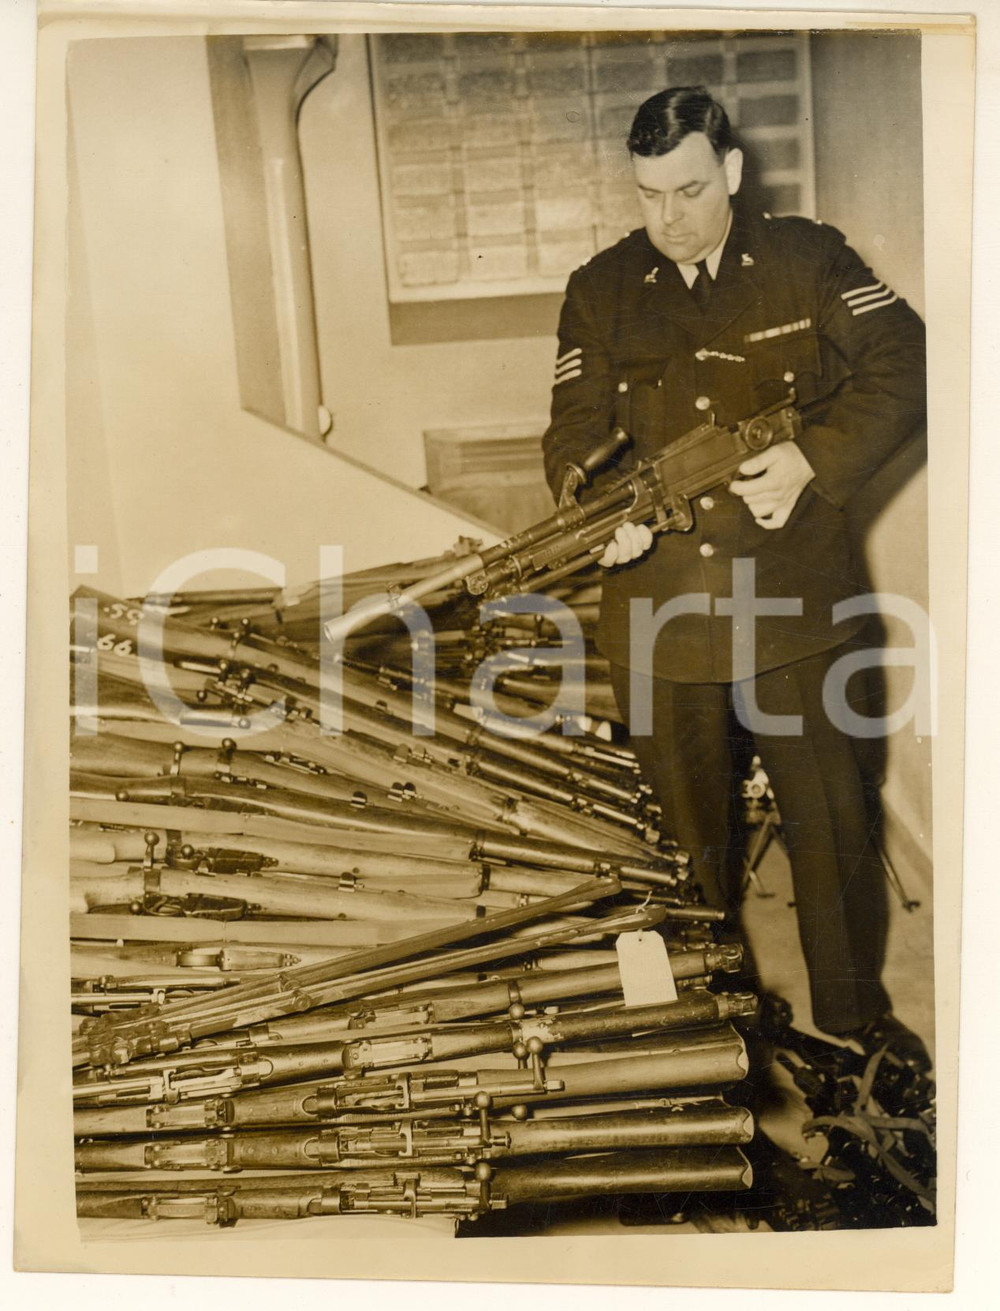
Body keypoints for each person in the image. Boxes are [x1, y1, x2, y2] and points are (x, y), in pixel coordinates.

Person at [542, 86, 930, 1071]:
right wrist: (592, 513)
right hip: (660, 613)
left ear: (733, 171)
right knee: (682, 845)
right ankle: (715, 1019)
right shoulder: (600, 287)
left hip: (795, 605)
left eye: (689, 191)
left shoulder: (806, 259)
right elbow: (574, 431)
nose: (668, 218)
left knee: (831, 826)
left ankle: (853, 1017)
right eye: (648, 195)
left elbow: (906, 361)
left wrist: (814, 459)